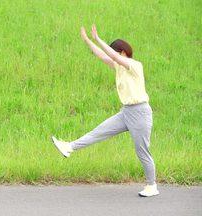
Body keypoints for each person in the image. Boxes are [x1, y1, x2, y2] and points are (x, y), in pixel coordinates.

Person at [51, 25, 159, 197]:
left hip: (140, 113)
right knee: (98, 132)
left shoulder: (135, 65)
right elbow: (102, 55)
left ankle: (152, 185)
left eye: (115, 53)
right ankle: (69, 147)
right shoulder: (119, 67)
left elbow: (112, 55)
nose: (112, 57)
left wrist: (98, 38)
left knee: (142, 151)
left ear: (123, 52)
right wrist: (88, 40)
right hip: (126, 112)